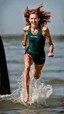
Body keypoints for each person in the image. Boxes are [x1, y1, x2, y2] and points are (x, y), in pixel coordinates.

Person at [22, 3, 54, 103]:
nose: (33, 21)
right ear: (29, 19)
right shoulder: (26, 28)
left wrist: (50, 52)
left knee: (36, 76)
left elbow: (51, 44)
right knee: (26, 67)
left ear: (39, 19)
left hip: (40, 56)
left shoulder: (44, 30)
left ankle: (36, 72)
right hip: (30, 52)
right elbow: (26, 36)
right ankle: (27, 95)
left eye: (35, 18)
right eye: (31, 19)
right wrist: (24, 44)